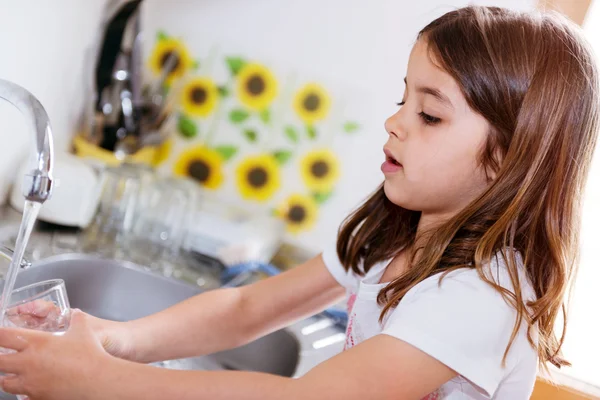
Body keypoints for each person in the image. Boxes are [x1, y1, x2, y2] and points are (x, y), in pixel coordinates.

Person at [0, 5, 598, 400]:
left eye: (430, 113)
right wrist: (111, 341)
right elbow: (245, 311)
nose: (393, 122)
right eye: (402, 98)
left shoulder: (480, 297)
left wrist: (103, 380)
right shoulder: (393, 232)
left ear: (509, 160)